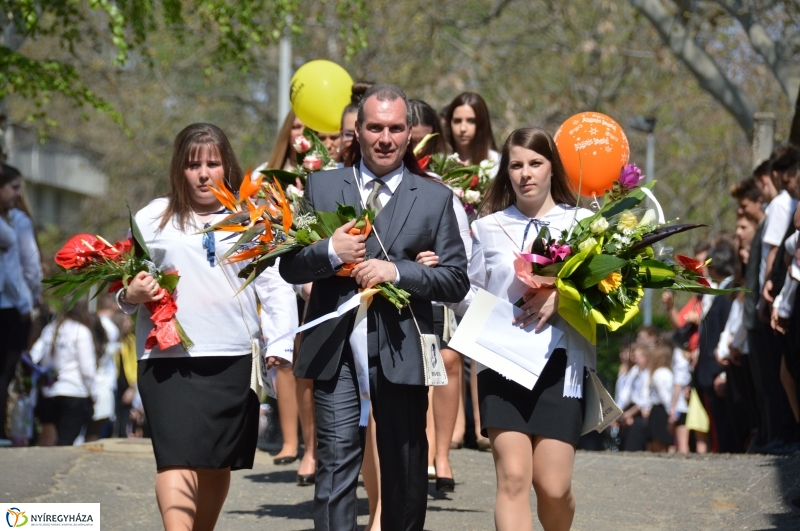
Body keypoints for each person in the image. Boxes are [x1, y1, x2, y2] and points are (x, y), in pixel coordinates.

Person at [278, 84, 469, 531]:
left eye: (396, 128)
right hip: (335, 349)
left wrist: (398, 272)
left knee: (404, 466)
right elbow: (288, 265)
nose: (385, 138)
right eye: (375, 127)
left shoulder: (435, 198)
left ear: (408, 135)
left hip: (402, 348)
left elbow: (456, 278)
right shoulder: (321, 187)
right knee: (336, 464)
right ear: (357, 132)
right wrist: (329, 250)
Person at [116, 123, 297, 530]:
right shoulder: (150, 219)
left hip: (232, 359)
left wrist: (281, 345)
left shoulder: (251, 218)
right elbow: (122, 286)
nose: (203, 173)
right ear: (179, 169)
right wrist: (132, 295)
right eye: (192, 164)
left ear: (226, 166)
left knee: (218, 463)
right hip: (167, 361)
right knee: (176, 455)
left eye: (212, 163)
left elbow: (275, 286)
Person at [449, 127, 593, 530]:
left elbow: (605, 296)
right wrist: (445, 288)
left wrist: (561, 297)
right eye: (516, 165)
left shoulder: (583, 225)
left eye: (535, 163)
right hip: (500, 362)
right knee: (512, 478)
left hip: (561, 365)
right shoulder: (486, 227)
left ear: (552, 169)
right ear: (506, 172)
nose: (525, 173)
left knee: (553, 486)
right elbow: (467, 292)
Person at [408, 98, 471, 492]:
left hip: (441, 297)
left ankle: (442, 454)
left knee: (447, 364)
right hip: (400, 296)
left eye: (421, 142)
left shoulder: (442, 190)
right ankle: (418, 450)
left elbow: (462, 249)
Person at [0, 163, 42, 440]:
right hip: (10, 308)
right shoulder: (14, 225)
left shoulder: (14, 220)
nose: (17, 194)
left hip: (12, 305)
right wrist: (29, 303)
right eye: (13, 187)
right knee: (4, 372)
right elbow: (20, 271)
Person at [30, 301, 97, 446]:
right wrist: (93, 394)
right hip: (74, 392)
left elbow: (34, 355)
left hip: (49, 392)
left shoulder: (50, 329)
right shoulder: (81, 331)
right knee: (65, 444)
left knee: (49, 443)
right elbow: (87, 370)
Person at [443, 92, 499, 173]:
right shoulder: (440, 162)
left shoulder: (496, 163)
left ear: (482, 124)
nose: (463, 128)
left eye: (471, 121)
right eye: (457, 121)